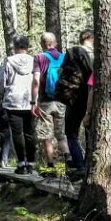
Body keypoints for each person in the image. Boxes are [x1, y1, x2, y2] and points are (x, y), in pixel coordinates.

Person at [0, 35, 39, 175]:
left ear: (15, 47)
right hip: (30, 101)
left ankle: (21, 163)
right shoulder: (34, 61)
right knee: (29, 133)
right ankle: (31, 163)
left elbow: (0, 83)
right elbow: (38, 80)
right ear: (27, 47)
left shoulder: (8, 62)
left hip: (12, 101)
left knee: (17, 133)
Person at [33, 32, 70, 171]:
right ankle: (69, 160)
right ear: (55, 43)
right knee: (61, 134)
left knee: (46, 135)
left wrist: (33, 102)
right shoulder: (64, 57)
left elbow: (36, 80)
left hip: (46, 102)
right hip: (61, 101)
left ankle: (51, 166)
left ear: (42, 44)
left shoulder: (40, 58)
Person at [63, 29, 96, 170]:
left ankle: (79, 164)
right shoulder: (100, 54)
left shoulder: (71, 52)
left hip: (75, 97)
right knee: (91, 132)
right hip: (93, 97)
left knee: (71, 132)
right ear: (91, 38)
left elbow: (63, 73)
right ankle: (90, 165)